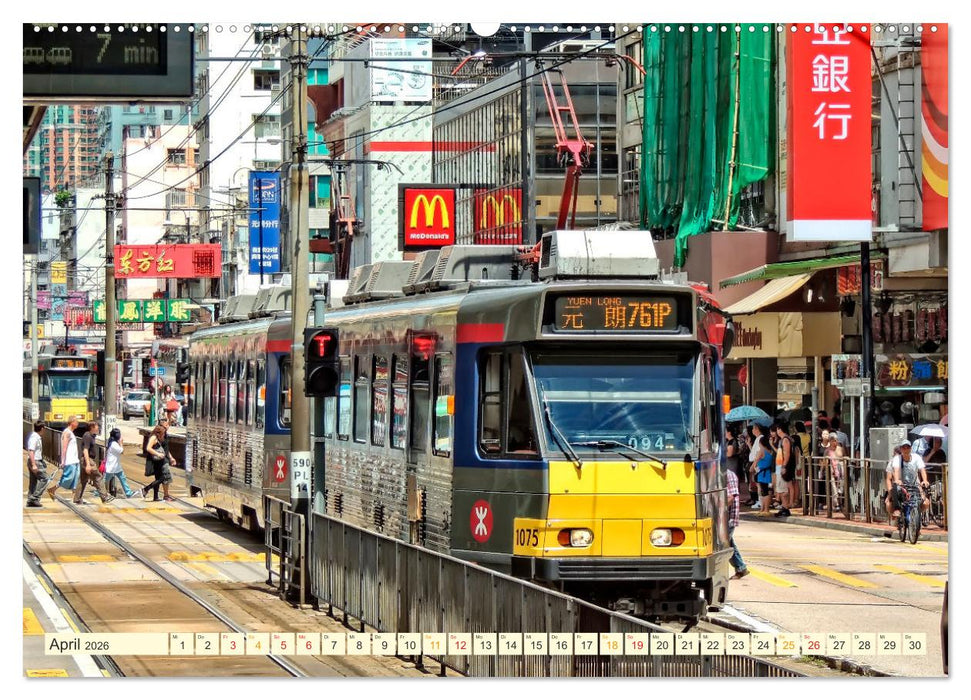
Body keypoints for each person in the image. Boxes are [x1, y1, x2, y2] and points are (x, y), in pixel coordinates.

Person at [73, 422, 114, 504]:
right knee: (98, 477)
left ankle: (77, 498)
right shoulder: (87, 436)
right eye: (96, 426)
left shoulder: (91, 435)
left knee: (83, 480)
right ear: (91, 427)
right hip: (88, 460)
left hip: (86, 460)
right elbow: (85, 450)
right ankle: (105, 497)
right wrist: (88, 464)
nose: (98, 428)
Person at [142, 420, 177, 502]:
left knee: (158, 478)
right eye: (166, 425)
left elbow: (165, 449)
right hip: (156, 460)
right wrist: (158, 454)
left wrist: (171, 458)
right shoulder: (154, 437)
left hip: (162, 459)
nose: (168, 427)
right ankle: (146, 489)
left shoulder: (164, 435)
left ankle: (155, 496)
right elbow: (148, 448)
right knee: (163, 477)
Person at [892, 439, 930, 513]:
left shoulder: (916, 457)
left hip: (915, 485)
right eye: (904, 448)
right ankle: (897, 510)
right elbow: (896, 470)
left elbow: (922, 469)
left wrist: (925, 480)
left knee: (925, 503)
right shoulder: (897, 459)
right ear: (901, 449)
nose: (906, 450)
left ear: (911, 448)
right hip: (903, 485)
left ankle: (918, 514)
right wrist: (897, 480)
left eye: (908, 447)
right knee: (896, 489)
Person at [48, 416, 81, 501]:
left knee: (76, 478)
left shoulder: (71, 433)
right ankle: (53, 489)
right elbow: (64, 447)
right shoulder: (67, 433)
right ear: (72, 422)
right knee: (68, 478)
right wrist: (63, 461)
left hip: (75, 460)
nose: (78, 423)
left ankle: (76, 497)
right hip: (70, 460)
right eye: (76, 422)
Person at [724, 467, 748, 579]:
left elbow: (731, 497)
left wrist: (719, 510)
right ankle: (741, 568)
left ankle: (740, 567)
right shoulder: (718, 474)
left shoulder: (728, 475)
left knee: (724, 544)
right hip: (723, 518)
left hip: (728, 517)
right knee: (728, 543)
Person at [103, 428, 136, 498]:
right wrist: (121, 443)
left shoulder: (113, 442)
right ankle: (98, 492)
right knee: (105, 480)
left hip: (116, 466)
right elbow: (121, 451)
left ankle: (128, 493)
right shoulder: (113, 444)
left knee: (122, 478)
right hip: (111, 466)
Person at [750, 423, 775, 515]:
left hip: (761, 472)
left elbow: (755, 461)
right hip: (767, 472)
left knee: (764, 491)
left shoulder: (762, 451)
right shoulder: (770, 451)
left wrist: (752, 468)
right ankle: (764, 509)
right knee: (765, 490)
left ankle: (765, 509)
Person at [25, 420, 50, 508]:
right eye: (44, 428)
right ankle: (34, 498)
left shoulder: (36, 437)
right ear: (42, 428)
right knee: (45, 479)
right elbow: (31, 451)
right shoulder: (34, 438)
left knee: (33, 481)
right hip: (35, 461)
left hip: (36, 461)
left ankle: (30, 500)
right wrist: (34, 464)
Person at [773, 423, 795, 517]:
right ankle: (784, 507)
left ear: (780, 429)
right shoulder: (783, 439)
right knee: (781, 488)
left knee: (783, 489)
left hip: (783, 467)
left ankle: (785, 508)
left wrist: (784, 466)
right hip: (780, 466)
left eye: (777, 429)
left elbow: (787, 454)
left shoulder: (785, 440)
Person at [824, 432, 845, 512]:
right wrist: (822, 471)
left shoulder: (840, 449)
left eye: (836, 440)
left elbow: (845, 458)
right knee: (833, 488)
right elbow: (824, 461)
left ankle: (840, 503)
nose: (835, 442)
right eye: (833, 440)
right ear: (830, 441)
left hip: (841, 471)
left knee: (841, 488)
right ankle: (836, 504)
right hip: (831, 471)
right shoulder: (827, 451)